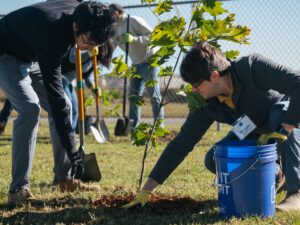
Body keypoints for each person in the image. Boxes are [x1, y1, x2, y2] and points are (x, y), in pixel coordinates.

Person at [124, 42, 300, 212]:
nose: (193, 90)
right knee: (215, 158)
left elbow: (297, 83)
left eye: (196, 84)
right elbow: (182, 143)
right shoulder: (206, 103)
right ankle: (274, 173)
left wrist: (285, 128)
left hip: (289, 121)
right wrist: (146, 190)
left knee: (279, 113)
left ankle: (296, 193)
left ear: (215, 75)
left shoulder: (252, 67)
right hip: (254, 128)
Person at [0, 0, 116, 205]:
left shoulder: (82, 12)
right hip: (5, 52)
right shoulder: (53, 34)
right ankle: (18, 190)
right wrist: (73, 152)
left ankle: (65, 179)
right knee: (30, 110)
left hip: (30, 53)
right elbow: (54, 98)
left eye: (94, 46)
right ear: (75, 26)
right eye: (87, 42)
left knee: (67, 105)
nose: (89, 49)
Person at [109, 3, 164, 128]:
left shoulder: (133, 21)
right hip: (135, 64)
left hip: (150, 61)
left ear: (118, 12)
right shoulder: (114, 29)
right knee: (133, 97)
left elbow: (154, 36)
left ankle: (159, 127)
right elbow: (111, 45)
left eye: (110, 13)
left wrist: (135, 39)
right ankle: (133, 127)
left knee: (154, 96)